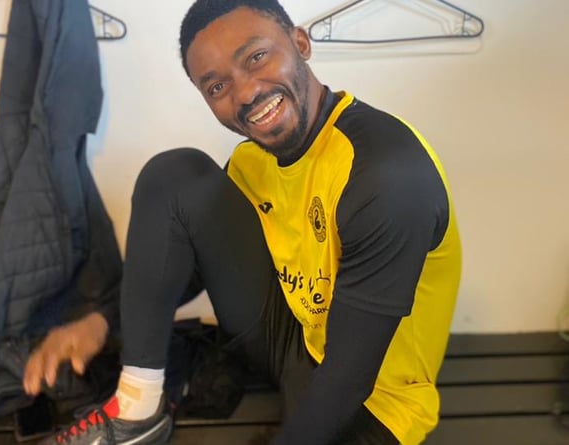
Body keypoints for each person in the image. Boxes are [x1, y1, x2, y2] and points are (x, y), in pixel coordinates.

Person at [23, 0, 462, 444]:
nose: (246, 92)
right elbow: (190, 267)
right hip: (292, 346)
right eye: (216, 87)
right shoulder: (252, 163)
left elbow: (350, 376)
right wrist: (100, 321)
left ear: (300, 43)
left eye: (256, 57)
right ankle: (138, 411)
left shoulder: (387, 175)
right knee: (175, 175)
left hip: (373, 401)